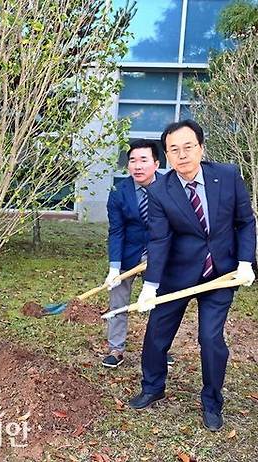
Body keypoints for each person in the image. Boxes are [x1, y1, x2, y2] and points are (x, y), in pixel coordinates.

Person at [128, 120, 256, 432]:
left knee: (211, 339)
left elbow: (245, 221)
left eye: (188, 147)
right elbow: (159, 240)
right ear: (167, 156)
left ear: (200, 147)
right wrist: (151, 286)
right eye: (175, 149)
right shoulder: (160, 191)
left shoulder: (227, 176)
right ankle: (153, 386)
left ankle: (212, 401)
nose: (182, 154)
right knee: (157, 334)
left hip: (220, 275)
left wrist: (244, 262)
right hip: (177, 274)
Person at [102, 139, 175, 368]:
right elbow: (116, 231)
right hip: (129, 254)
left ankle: (160, 349)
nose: (137, 166)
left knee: (162, 303)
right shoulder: (118, 192)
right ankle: (116, 348)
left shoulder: (171, 188)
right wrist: (114, 267)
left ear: (156, 163)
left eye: (143, 160)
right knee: (118, 302)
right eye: (133, 161)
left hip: (161, 254)